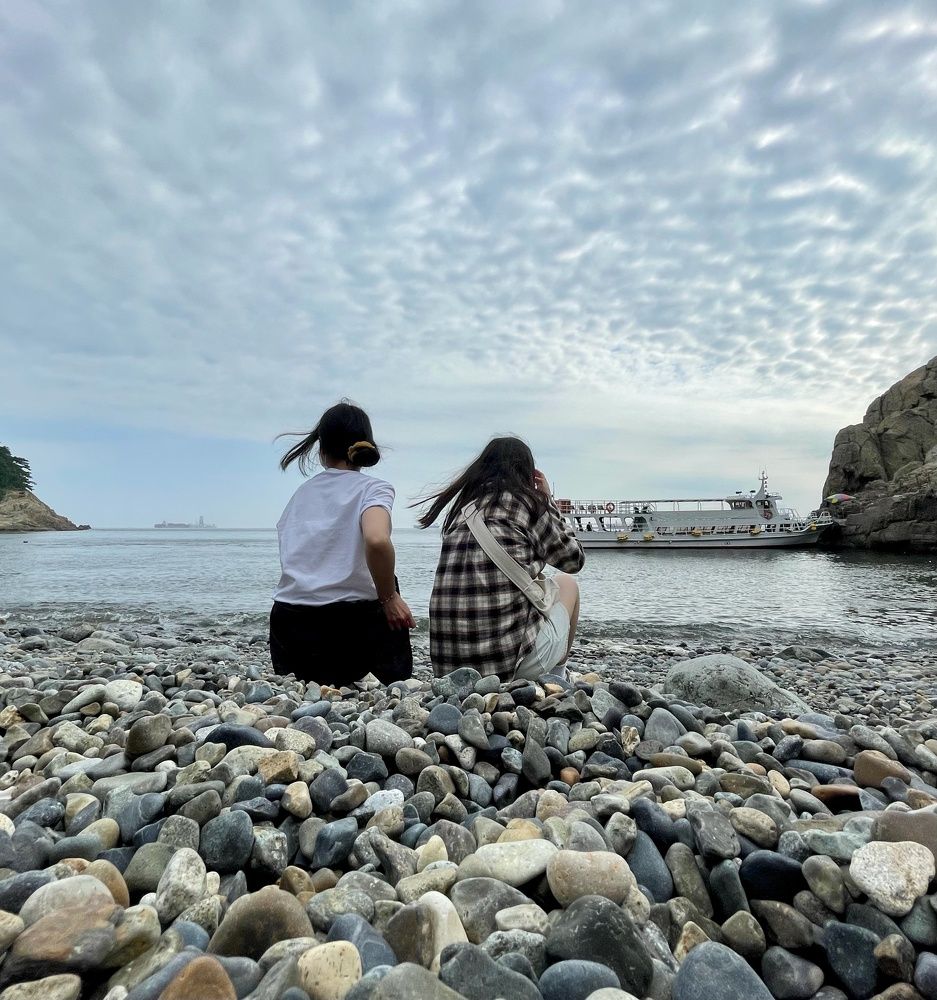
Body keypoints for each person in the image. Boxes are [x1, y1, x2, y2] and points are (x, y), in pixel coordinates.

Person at [270, 401, 415, 686]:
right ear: (367, 447)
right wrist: (389, 598)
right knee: (388, 585)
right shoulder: (373, 489)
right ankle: (390, 680)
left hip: (289, 631)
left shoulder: (300, 495)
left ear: (321, 450)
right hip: (348, 631)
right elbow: (376, 539)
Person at [416, 436, 584, 681]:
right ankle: (558, 676)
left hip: (449, 668)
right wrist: (548, 502)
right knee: (567, 584)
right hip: (507, 664)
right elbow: (574, 560)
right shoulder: (528, 505)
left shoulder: (462, 513)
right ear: (528, 473)